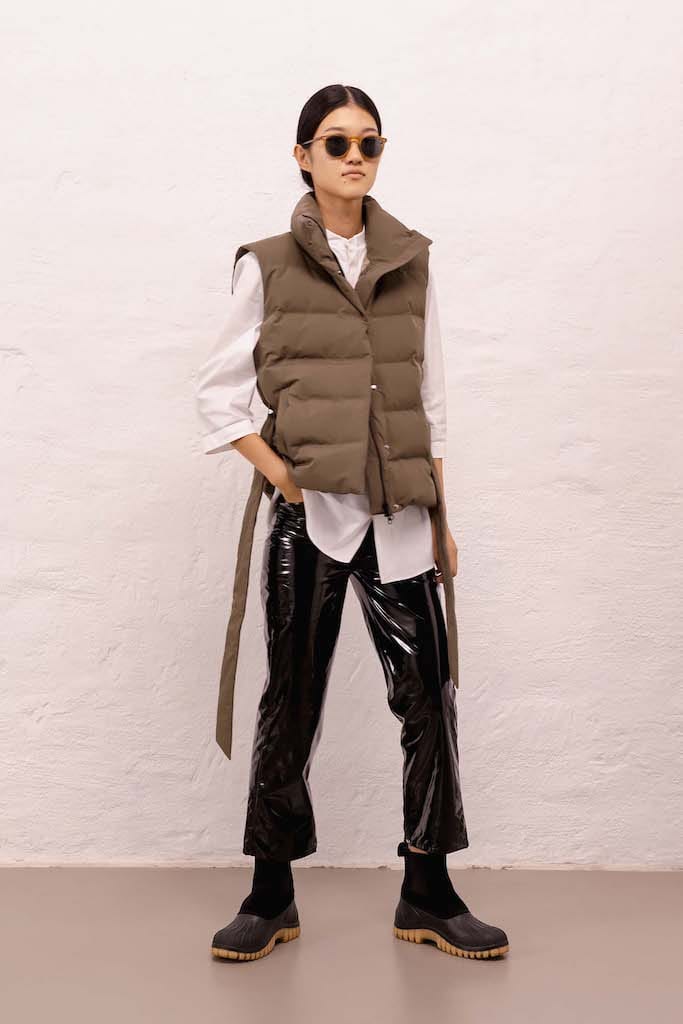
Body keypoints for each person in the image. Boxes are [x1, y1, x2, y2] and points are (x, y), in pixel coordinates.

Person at [195, 83, 510, 963]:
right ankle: (269, 893)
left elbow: (430, 401)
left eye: (369, 142)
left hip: (402, 517)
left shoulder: (412, 260)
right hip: (312, 520)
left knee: (429, 694)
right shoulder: (266, 264)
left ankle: (427, 890)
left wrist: (442, 516)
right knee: (290, 698)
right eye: (335, 143)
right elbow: (218, 396)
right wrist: (285, 482)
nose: (354, 156)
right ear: (303, 156)